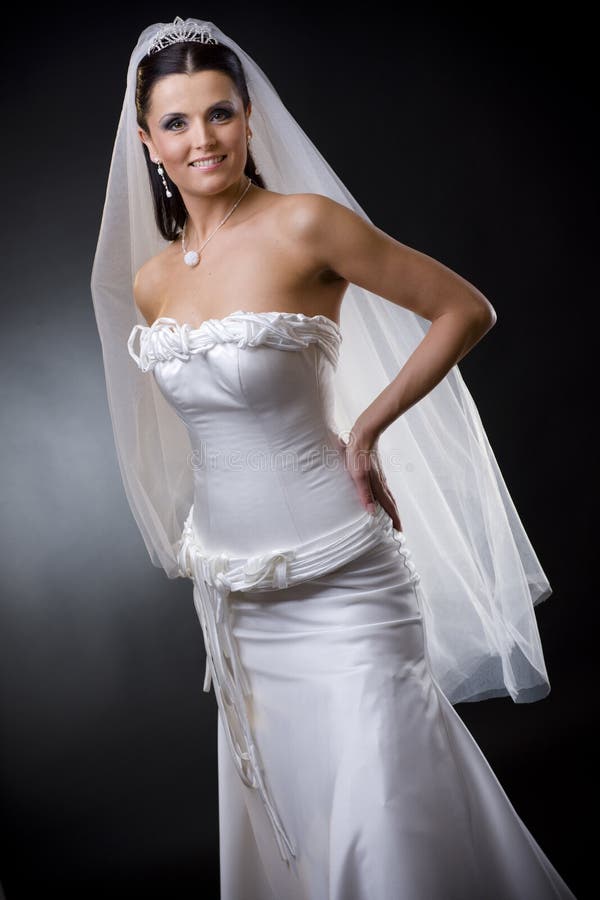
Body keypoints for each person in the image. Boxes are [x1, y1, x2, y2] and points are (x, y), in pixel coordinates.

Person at [91, 16, 577, 900]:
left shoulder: (305, 224)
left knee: (385, 816)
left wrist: (366, 431)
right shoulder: (154, 279)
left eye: (221, 113)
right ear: (147, 142)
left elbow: (465, 308)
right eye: (177, 122)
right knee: (304, 820)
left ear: (248, 119)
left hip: (345, 578)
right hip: (237, 600)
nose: (203, 139)